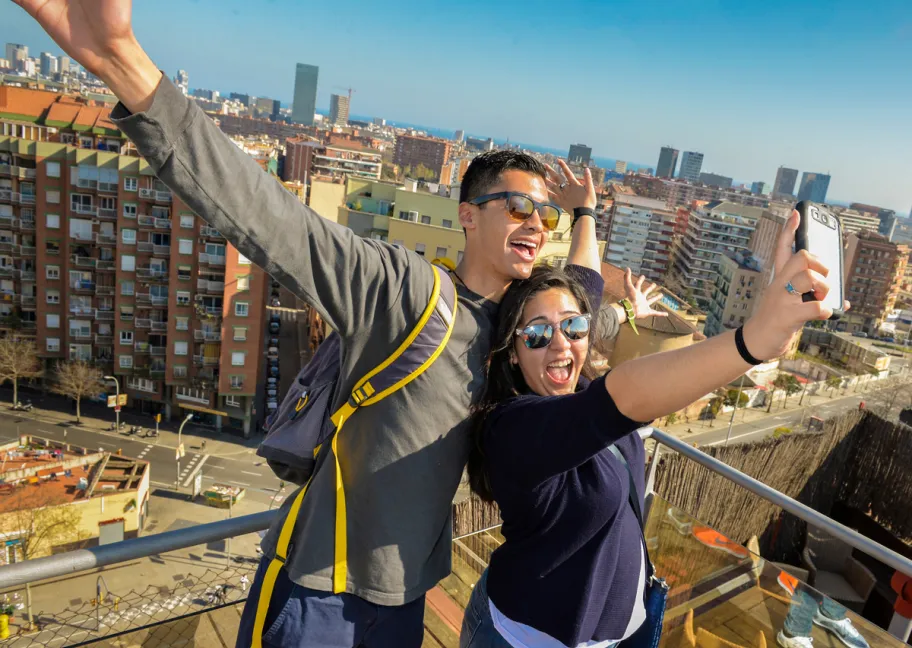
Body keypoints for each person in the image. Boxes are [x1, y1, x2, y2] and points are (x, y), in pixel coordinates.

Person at [12, 3, 660, 646]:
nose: (535, 224)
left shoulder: (525, 325)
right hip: (322, 595)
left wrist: (584, 214)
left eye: (544, 216)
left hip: (406, 598)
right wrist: (122, 62)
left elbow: (582, 285)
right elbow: (268, 218)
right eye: (517, 206)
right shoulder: (404, 290)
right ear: (467, 215)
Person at [462, 211, 841, 648]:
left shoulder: (576, 386)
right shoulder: (512, 430)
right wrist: (754, 338)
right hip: (527, 638)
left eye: (574, 325)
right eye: (537, 334)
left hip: (623, 628)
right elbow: (619, 397)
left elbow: (586, 282)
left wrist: (585, 211)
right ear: (512, 352)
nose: (561, 342)